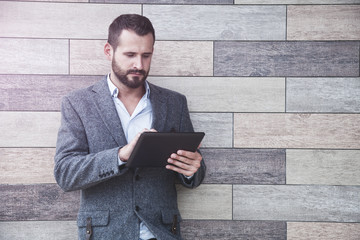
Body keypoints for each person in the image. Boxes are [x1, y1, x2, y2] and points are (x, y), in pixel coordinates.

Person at [54, 14, 206, 240]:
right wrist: (121, 155)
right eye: (130, 55)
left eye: (146, 55)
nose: (139, 65)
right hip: (104, 233)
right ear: (109, 51)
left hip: (162, 232)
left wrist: (193, 169)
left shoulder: (174, 103)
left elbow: (194, 173)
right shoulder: (77, 104)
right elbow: (65, 174)